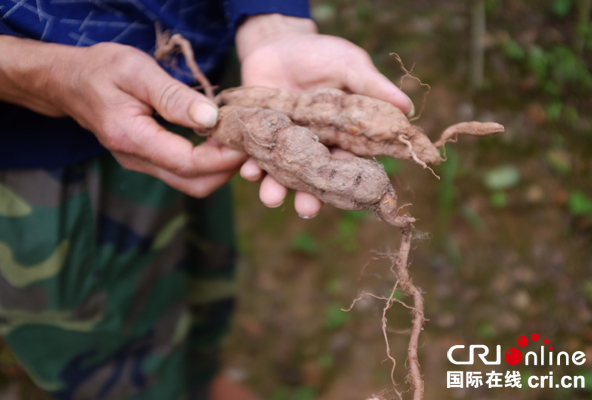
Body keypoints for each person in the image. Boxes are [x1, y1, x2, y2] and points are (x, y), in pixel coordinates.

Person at [0, 1, 414, 399]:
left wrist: (270, 15)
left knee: (205, 277)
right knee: (101, 349)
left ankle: (200, 382)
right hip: (32, 160)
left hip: (206, 91)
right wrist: (45, 73)